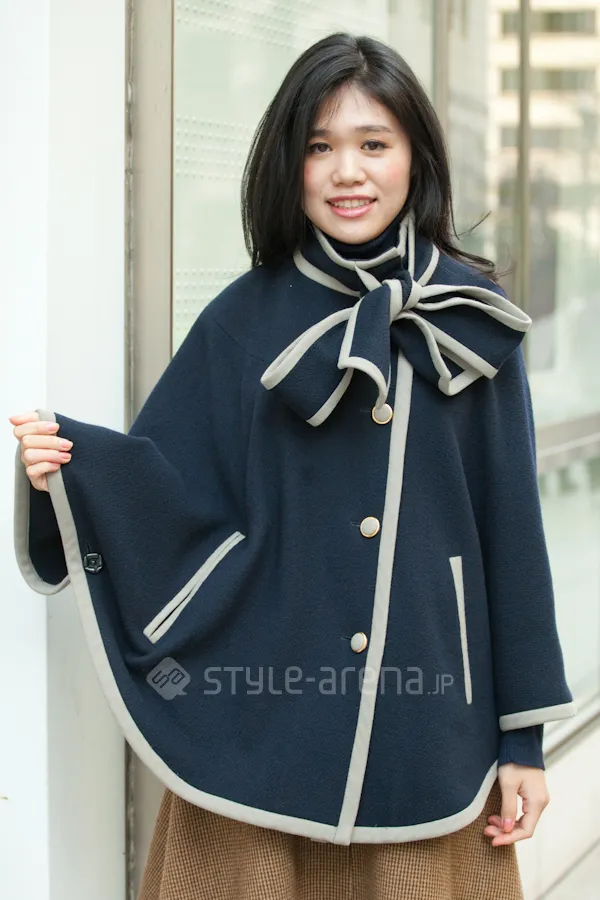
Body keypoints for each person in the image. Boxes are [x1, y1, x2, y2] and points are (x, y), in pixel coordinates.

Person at [10, 32, 575, 900]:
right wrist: (70, 471)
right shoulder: (243, 318)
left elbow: (513, 534)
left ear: (416, 157)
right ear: (291, 164)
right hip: (259, 733)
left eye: (373, 144)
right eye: (320, 147)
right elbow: (165, 485)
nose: (347, 172)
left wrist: (522, 739)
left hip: (429, 735)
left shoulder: (473, 320)